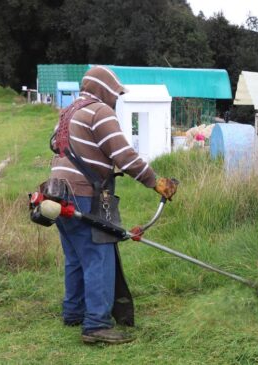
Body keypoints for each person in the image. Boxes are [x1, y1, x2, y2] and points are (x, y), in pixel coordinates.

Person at [49, 66, 177, 344]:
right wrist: (155, 182)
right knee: (98, 256)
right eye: (116, 94)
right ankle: (96, 325)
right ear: (104, 91)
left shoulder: (68, 112)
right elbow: (124, 155)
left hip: (56, 192)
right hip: (82, 194)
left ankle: (74, 312)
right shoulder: (99, 112)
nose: (117, 99)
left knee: (75, 256)